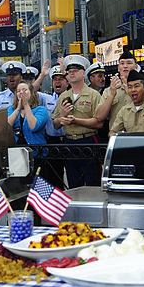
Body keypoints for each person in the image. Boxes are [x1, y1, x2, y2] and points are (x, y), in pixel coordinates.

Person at [52, 54, 103, 187]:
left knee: (93, 181)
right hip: (69, 141)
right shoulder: (63, 96)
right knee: (73, 182)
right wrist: (61, 117)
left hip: (88, 140)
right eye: (69, 71)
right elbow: (55, 125)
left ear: (84, 73)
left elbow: (99, 122)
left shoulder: (93, 95)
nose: (72, 73)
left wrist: (76, 120)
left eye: (76, 70)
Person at [109, 70, 144, 136]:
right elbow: (112, 132)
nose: (133, 90)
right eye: (129, 87)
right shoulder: (125, 110)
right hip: (132, 145)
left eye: (136, 86)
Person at [40, 65, 68, 188]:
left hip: (69, 140)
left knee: (73, 176)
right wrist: (42, 75)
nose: (57, 81)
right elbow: (30, 92)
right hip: (52, 141)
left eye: (61, 79)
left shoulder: (73, 97)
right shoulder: (47, 98)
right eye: (55, 79)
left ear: (67, 82)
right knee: (54, 177)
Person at [96, 50, 137, 131]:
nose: (125, 66)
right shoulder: (109, 90)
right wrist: (112, 94)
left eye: (129, 63)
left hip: (138, 133)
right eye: (122, 63)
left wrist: (128, 88)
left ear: (136, 67)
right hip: (117, 134)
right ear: (118, 68)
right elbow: (100, 117)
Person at [7, 81, 49, 147]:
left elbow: (34, 127)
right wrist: (18, 109)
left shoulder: (41, 109)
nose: (21, 92)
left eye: (25, 90)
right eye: (18, 91)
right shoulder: (12, 109)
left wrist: (26, 104)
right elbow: (7, 126)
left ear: (31, 93)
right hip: (16, 149)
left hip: (36, 150)